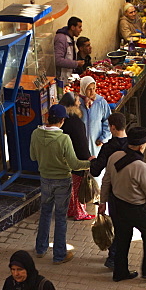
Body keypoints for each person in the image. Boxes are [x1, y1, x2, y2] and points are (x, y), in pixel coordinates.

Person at [29, 104, 92, 265]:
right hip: (62, 181)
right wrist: (90, 164)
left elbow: (33, 157)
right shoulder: (64, 139)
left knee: (45, 213)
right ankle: (59, 255)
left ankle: (40, 248)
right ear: (62, 120)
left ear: (48, 118)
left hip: (45, 179)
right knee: (61, 218)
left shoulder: (36, 134)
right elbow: (74, 164)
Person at [99, 124, 146, 282]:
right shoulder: (140, 166)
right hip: (137, 209)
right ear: (142, 145)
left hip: (117, 206)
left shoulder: (114, 156)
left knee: (122, 238)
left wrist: (102, 202)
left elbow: (106, 181)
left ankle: (120, 273)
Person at [91, 111, 128, 270]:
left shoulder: (108, 148)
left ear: (112, 127)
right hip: (130, 191)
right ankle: (120, 256)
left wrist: (93, 161)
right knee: (125, 225)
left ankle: (113, 257)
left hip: (113, 191)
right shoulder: (133, 145)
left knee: (116, 224)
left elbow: (96, 171)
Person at [60, 92, 95, 222]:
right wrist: (87, 159)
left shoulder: (64, 121)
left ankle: (71, 210)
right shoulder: (76, 123)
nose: (79, 102)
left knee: (72, 189)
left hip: (66, 161)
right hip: (78, 160)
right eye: (77, 101)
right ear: (73, 104)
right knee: (78, 189)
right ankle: (80, 213)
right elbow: (81, 143)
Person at [78, 76, 111, 155]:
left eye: (93, 88)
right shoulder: (77, 103)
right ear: (83, 89)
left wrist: (103, 138)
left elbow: (108, 121)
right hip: (81, 144)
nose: (92, 92)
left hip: (96, 143)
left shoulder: (101, 102)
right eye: (89, 89)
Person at [54, 16, 85, 82]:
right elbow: (58, 60)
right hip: (61, 79)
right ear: (73, 27)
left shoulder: (70, 38)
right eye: (79, 27)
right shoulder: (61, 39)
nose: (81, 30)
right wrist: (76, 63)